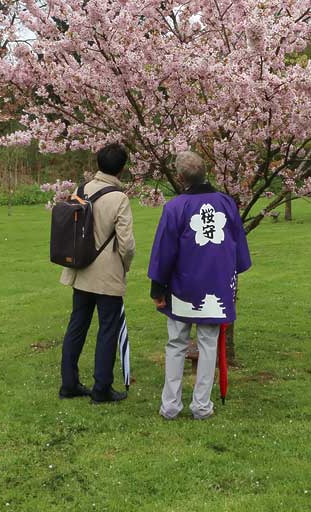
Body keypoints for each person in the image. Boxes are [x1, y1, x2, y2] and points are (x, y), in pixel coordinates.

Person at [147, 151, 251, 420]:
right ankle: (202, 405)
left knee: (176, 343)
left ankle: (171, 405)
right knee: (208, 344)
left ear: (180, 177)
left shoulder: (175, 207)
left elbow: (164, 251)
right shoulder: (226, 203)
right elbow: (238, 248)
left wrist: (157, 287)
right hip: (216, 285)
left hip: (183, 286)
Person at [58, 143, 136, 404]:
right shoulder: (119, 198)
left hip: (80, 269)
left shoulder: (81, 190)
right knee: (107, 330)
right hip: (107, 273)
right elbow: (127, 244)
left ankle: (69, 383)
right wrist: (125, 265)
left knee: (77, 326)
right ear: (122, 169)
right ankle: (102, 388)